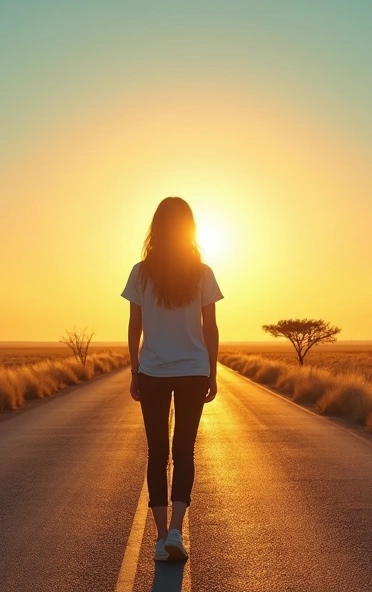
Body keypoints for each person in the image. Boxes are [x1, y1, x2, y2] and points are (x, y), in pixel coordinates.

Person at [122, 196, 222, 562]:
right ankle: (177, 529)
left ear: (157, 228)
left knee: (157, 452)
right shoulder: (202, 272)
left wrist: (134, 370)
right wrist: (213, 371)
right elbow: (210, 328)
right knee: (183, 452)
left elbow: (135, 326)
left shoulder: (140, 272)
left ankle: (162, 536)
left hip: (153, 371)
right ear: (189, 228)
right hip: (193, 370)